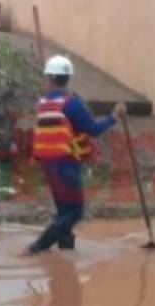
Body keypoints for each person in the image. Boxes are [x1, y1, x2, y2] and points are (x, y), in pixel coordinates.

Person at [29, 55, 126, 254]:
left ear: (49, 78)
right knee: (74, 212)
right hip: (66, 165)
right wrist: (114, 117)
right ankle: (37, 248)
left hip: (48, 164)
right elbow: (93, 129)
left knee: (64, 211)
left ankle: (65, 253)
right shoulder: (72, 104)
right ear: (68, 78)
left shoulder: (43, 103)